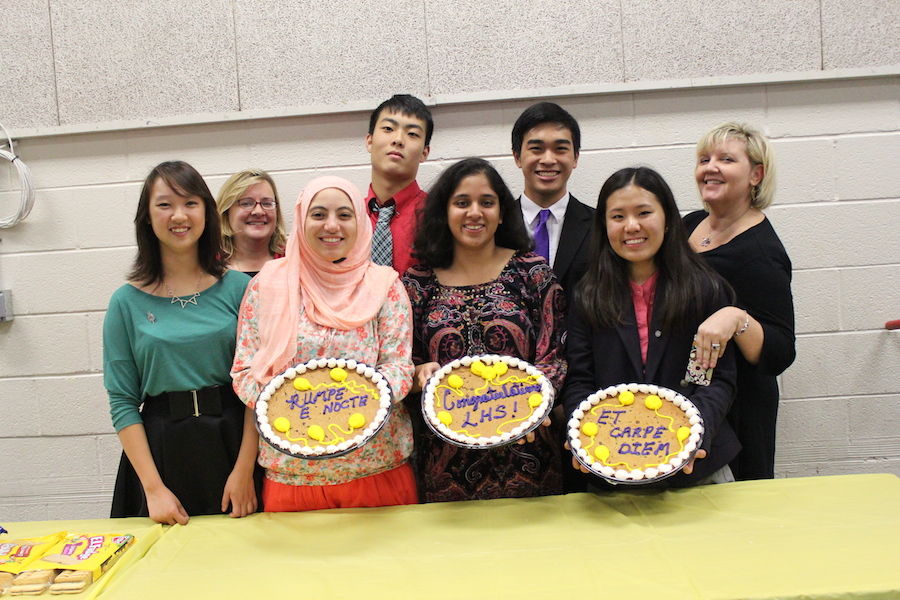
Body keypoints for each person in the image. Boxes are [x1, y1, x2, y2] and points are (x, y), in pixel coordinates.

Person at [231, 176, 417, 512]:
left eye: (344, 215)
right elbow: (245, 372)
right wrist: (302, 409)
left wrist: (346, 404)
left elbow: (400, 367)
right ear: (302, 221)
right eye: (318, 214)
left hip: (375, 470)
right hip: (292, 476)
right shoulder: (267, 285)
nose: (332, 225)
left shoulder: (384, 286)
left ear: (360, 222)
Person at [562, 166, 740, 486]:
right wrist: (581, 436)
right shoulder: (587, 296)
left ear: (668, 218)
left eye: (644, 212)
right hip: (609, 468)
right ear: (604, 226)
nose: (632, 226)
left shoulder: (703, 290)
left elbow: (713, 381)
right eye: (617, 217)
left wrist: (690, 438)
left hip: (695, 470)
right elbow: (579, 382)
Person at [104, 161, 260, 525]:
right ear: (146, 216)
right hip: (161, 454)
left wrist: (244, 471)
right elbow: (123, 402)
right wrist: (153, 489)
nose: (179, 215)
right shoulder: (125, 303)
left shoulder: (240, 289)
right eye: (165, 204)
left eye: (190, 202)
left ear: (207, 211)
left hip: (233, 443)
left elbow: (260, 385)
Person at [403, 157, 566, 502]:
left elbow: (556, 355)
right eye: (462, 203)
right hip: (446, 467)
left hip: (530, 455)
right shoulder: (417, 284)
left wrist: (528, 408)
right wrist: (417, 374)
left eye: (486, 202)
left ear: (503, 212)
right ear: (444, 212)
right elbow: (402, 361)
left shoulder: (532, 273)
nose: (474, 212)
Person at [684, 122, 796, 480]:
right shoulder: (690, 225)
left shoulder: (761, 254)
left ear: (756, 175)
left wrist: (736, 318)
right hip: (690, 394)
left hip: (739, 411)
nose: (710, 167)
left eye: (726, 159)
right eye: (705, 159)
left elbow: (780, 351)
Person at [512, 102, 594, 301]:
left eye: (560, 149)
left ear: (575, 158)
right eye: (537, 149)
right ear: (517, 157)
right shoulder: (494, 226)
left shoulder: (601, 225)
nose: (548, 159)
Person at [365, 94, 433, 274]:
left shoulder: (438, 216)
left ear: (425, 153)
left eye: (412, 134)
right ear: (369, 142)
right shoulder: (347, 217)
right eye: (388, 128)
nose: (398, 140)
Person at [216, 168, 287, 277]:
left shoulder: (293, 260)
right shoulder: (209, 265)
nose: (258, 211)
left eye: (267, 203)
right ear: (226, 211)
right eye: (246, 203)